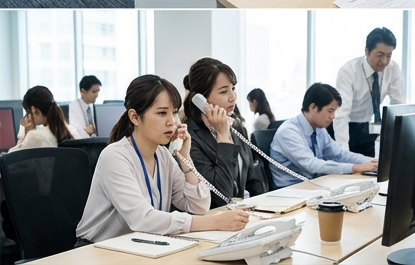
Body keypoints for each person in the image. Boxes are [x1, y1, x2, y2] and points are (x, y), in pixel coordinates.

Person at [76, 75, 250, 243]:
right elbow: (143, 220)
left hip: (139, 244)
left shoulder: (163, 155)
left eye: (174, 113)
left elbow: (198, 206)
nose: (171, 122)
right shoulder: (114, 157)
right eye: (161, 113)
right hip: (96, 249)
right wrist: (215, 222)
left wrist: (186, 160)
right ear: (135, 117)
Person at [183, 57, 266, 207]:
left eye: (233, 88)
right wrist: (223, 136)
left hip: (243, 215)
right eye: (223, 92)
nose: (233, 97)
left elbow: (251, 178)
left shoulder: (235, 126)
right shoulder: (189, 138)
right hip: (213, 220)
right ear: (200, 99)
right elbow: (221, 195)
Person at [269, 83, 377, 187]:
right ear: (313, 107)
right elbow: (311, 165)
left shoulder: (319, 129)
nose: (333, 116)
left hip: (315, 185)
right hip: (290, 191)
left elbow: (339, 155)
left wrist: (372, 162)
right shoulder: (289, 132)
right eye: (330, 111)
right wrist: (354, 168)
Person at [332, 27, 406, 158]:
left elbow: (398, 105)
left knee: (369, 171)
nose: (384, 61)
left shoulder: (392, 68)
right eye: (380, 55)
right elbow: (341, 114)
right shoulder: (348, 71)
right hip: (346, 126)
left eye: (389, 56)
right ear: (367, 51)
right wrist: (343, 154)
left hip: (368, 127)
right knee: (347, 170)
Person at [11, 86, 74, 152]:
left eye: (28, 112)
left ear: (33, 109)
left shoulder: (35, 136)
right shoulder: (71, 130)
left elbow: (10, 158)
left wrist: (23, 133)